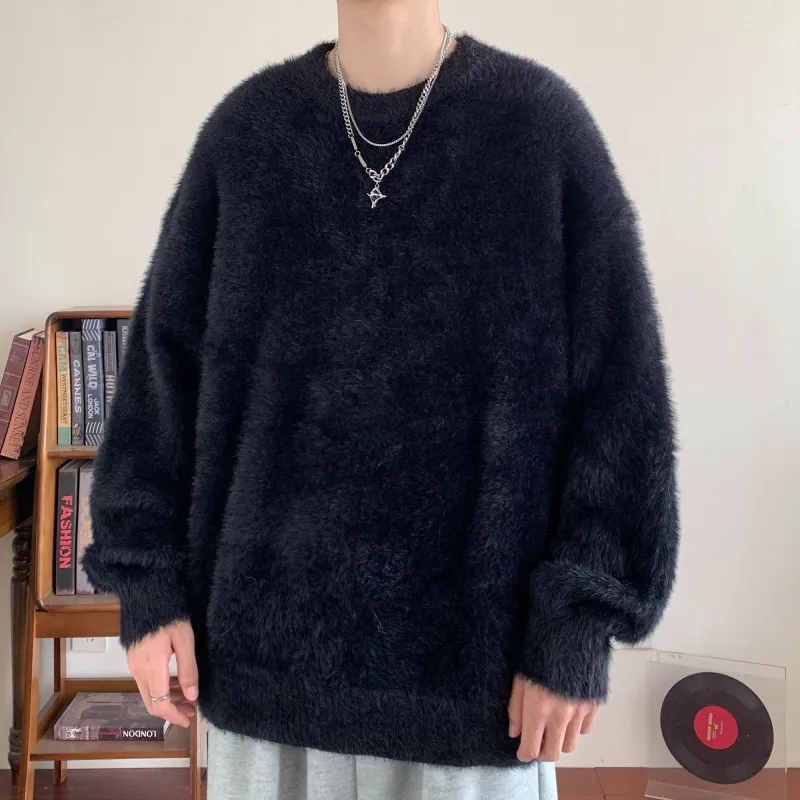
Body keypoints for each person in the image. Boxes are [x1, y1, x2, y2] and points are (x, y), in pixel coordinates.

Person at [83, 1, 679, 798]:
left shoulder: (537, 128)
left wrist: (578, 621)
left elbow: (620, 398)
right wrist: (148, 588)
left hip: (479, 687)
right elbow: (161, 384)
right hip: (267, 679)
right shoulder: (249, 134)